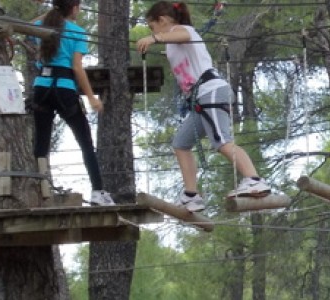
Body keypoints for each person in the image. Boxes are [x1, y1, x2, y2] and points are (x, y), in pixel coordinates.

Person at [136, 1, 271, 212]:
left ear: (162, 21)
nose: (153, 32)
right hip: (200, 100)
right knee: (181, 143)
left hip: (211, 92)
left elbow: (184, 35)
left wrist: (155, 38)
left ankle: (254, 179)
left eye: (152, 26)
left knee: (222, 141)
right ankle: (191, 195)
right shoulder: (173, 43)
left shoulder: (183, 31)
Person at [31, 0, 114, 206]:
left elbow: (27, 26)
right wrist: (92, 97)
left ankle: (37, 188)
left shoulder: (42, 26)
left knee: (41, 143)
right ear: (74, 8)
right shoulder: (76, 31)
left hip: (41, 87)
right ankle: (98, 191)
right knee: (85, 142)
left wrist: (51, 14)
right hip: (65, 89)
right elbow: (77, 68)